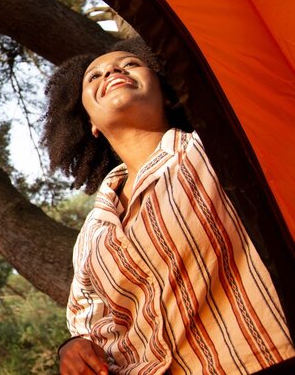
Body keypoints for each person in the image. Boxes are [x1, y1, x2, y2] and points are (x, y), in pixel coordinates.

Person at [43, 38, 295, 374]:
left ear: (167, 93)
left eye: (130, 64)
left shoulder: (220, 150)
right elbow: (87, 324)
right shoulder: (91, 233)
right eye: (94, 76)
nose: (112, 71)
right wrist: (73, 347)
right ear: (90, 124)